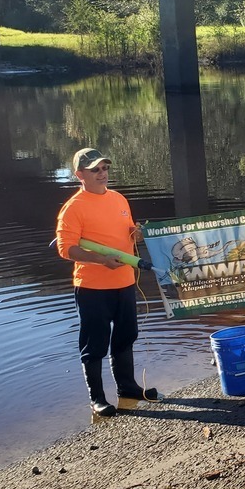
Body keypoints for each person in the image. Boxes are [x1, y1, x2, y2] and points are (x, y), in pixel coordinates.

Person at [55, 147, 155, 418]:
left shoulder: (119, 199)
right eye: (95, 169)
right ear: (80, 175)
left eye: (105, 168)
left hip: (124, 283)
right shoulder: (73, 208)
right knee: (94, 344)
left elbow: (128, 234)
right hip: (92, 288)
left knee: (126, 336)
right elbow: (66, 249)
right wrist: (101, 261)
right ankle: (97, 399)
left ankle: (127, 387)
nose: (102, 173)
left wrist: (138, 234)